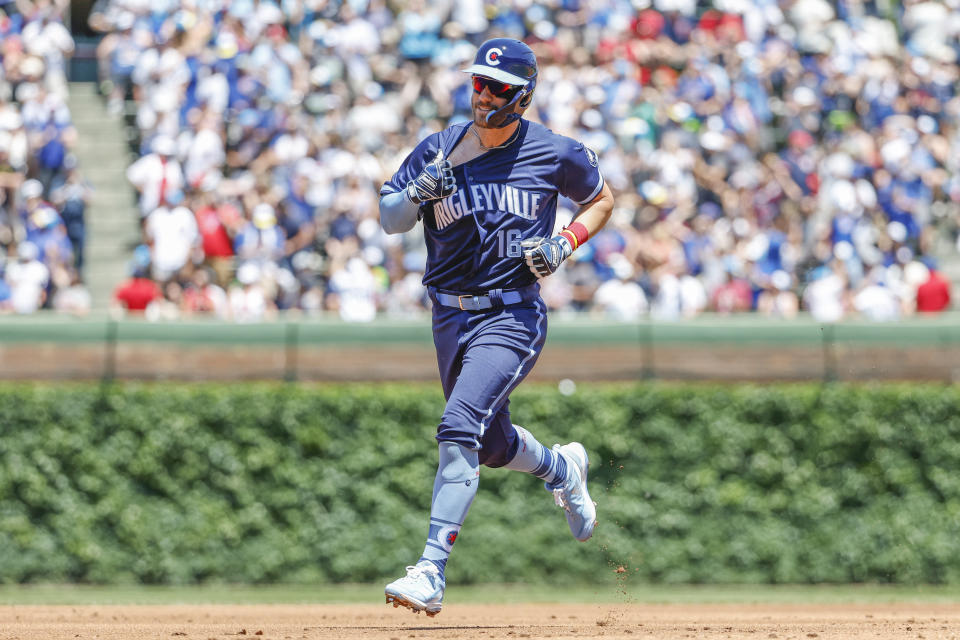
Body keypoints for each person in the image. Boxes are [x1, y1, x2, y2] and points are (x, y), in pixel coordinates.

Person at [378, 38, 614, 617]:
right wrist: (415, 192)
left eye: (499, 88)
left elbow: (602, 200)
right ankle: (561, 467)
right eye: (479, 83)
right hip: (450, 316)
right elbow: (389, 218)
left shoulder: (555, 153)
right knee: (488, 443)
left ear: (524, 97)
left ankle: (431, 568)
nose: (484, 95)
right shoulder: (441, 148)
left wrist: (564, 242)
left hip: (512, 313)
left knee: (457, 427)